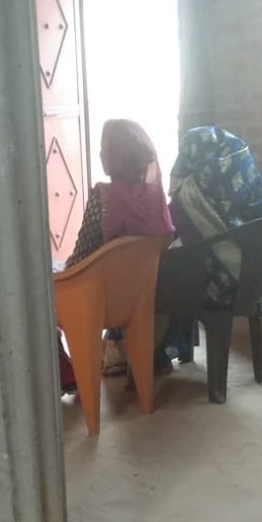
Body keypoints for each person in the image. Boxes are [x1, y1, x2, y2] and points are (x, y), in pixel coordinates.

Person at [65, 118, 174, 376]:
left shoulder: (103, 197)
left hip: (109, 302)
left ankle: (67, 371)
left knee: (54, 284)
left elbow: (81, 257)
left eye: (105, 146)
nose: (101, 153)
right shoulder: (156, 196)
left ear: (118, 152)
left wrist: (61, 273)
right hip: (150, 297)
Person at [163, 126, 262, 363]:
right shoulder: (250, 186)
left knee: (156, 278)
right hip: (254, 280)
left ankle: (159, 353)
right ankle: (179, 347)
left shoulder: (191, 193)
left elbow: (172, 231)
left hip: (220, 287)